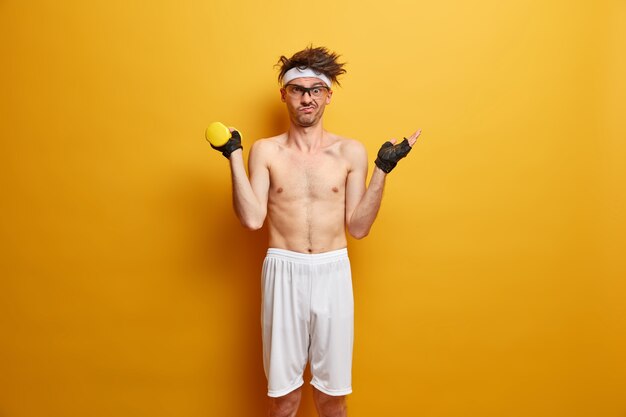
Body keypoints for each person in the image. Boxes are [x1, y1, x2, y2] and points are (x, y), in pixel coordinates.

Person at [210, 46, 421, 417]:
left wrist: (383, 170)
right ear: (284, 95)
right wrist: (234, 155)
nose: (307, 98)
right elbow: (251, 219)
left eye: (314, 90)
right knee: (284, 400)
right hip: (282, 270)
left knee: (332, 400)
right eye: (297, 90)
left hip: (332, 271)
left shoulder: (349, 152)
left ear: (327, 95)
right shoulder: (266, 152)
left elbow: (358, 228)